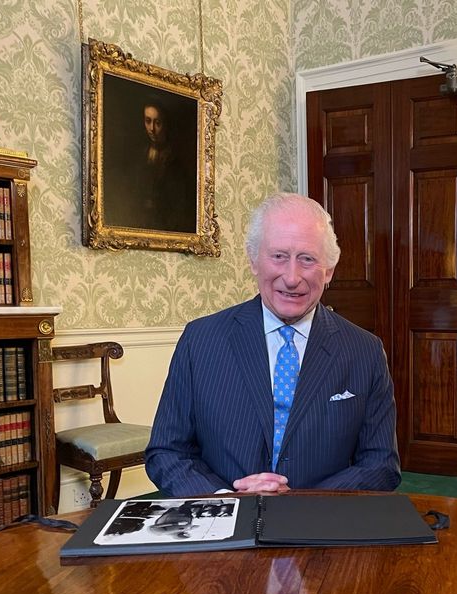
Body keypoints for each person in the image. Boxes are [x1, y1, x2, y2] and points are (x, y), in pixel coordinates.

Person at [146, 192, 401, 496]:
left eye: (307, 259)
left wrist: (303, 503)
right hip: (222, 521)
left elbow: (381, 465)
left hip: (321, 527)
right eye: (278, 256)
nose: (291, 278)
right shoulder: (200, 340)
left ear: (329, 270)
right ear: (254, 260)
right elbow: (166, 452)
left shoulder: (365, 351)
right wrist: (224, 499)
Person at [124, 100, 195, 232]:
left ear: (166, 124)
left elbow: (179, 205)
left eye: (158, 123)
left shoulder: (175, 161)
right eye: (148, 121)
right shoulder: (140, 155)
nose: (152, 129)